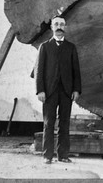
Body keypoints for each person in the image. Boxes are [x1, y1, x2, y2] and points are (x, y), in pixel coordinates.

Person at [35, 15, 82, 164]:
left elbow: (76, 71)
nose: (59, 26)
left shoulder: (71, 47)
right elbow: (39, 71)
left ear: (65, 27)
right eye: (56, 24)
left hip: (67, 91)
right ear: (52, 27)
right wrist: (40, 90)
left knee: (64, 123)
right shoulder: (45, 47)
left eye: (62, 24)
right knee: (48, 123)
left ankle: (63, 155)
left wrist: (76, 90)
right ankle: (47, 156)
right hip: (49, 91)